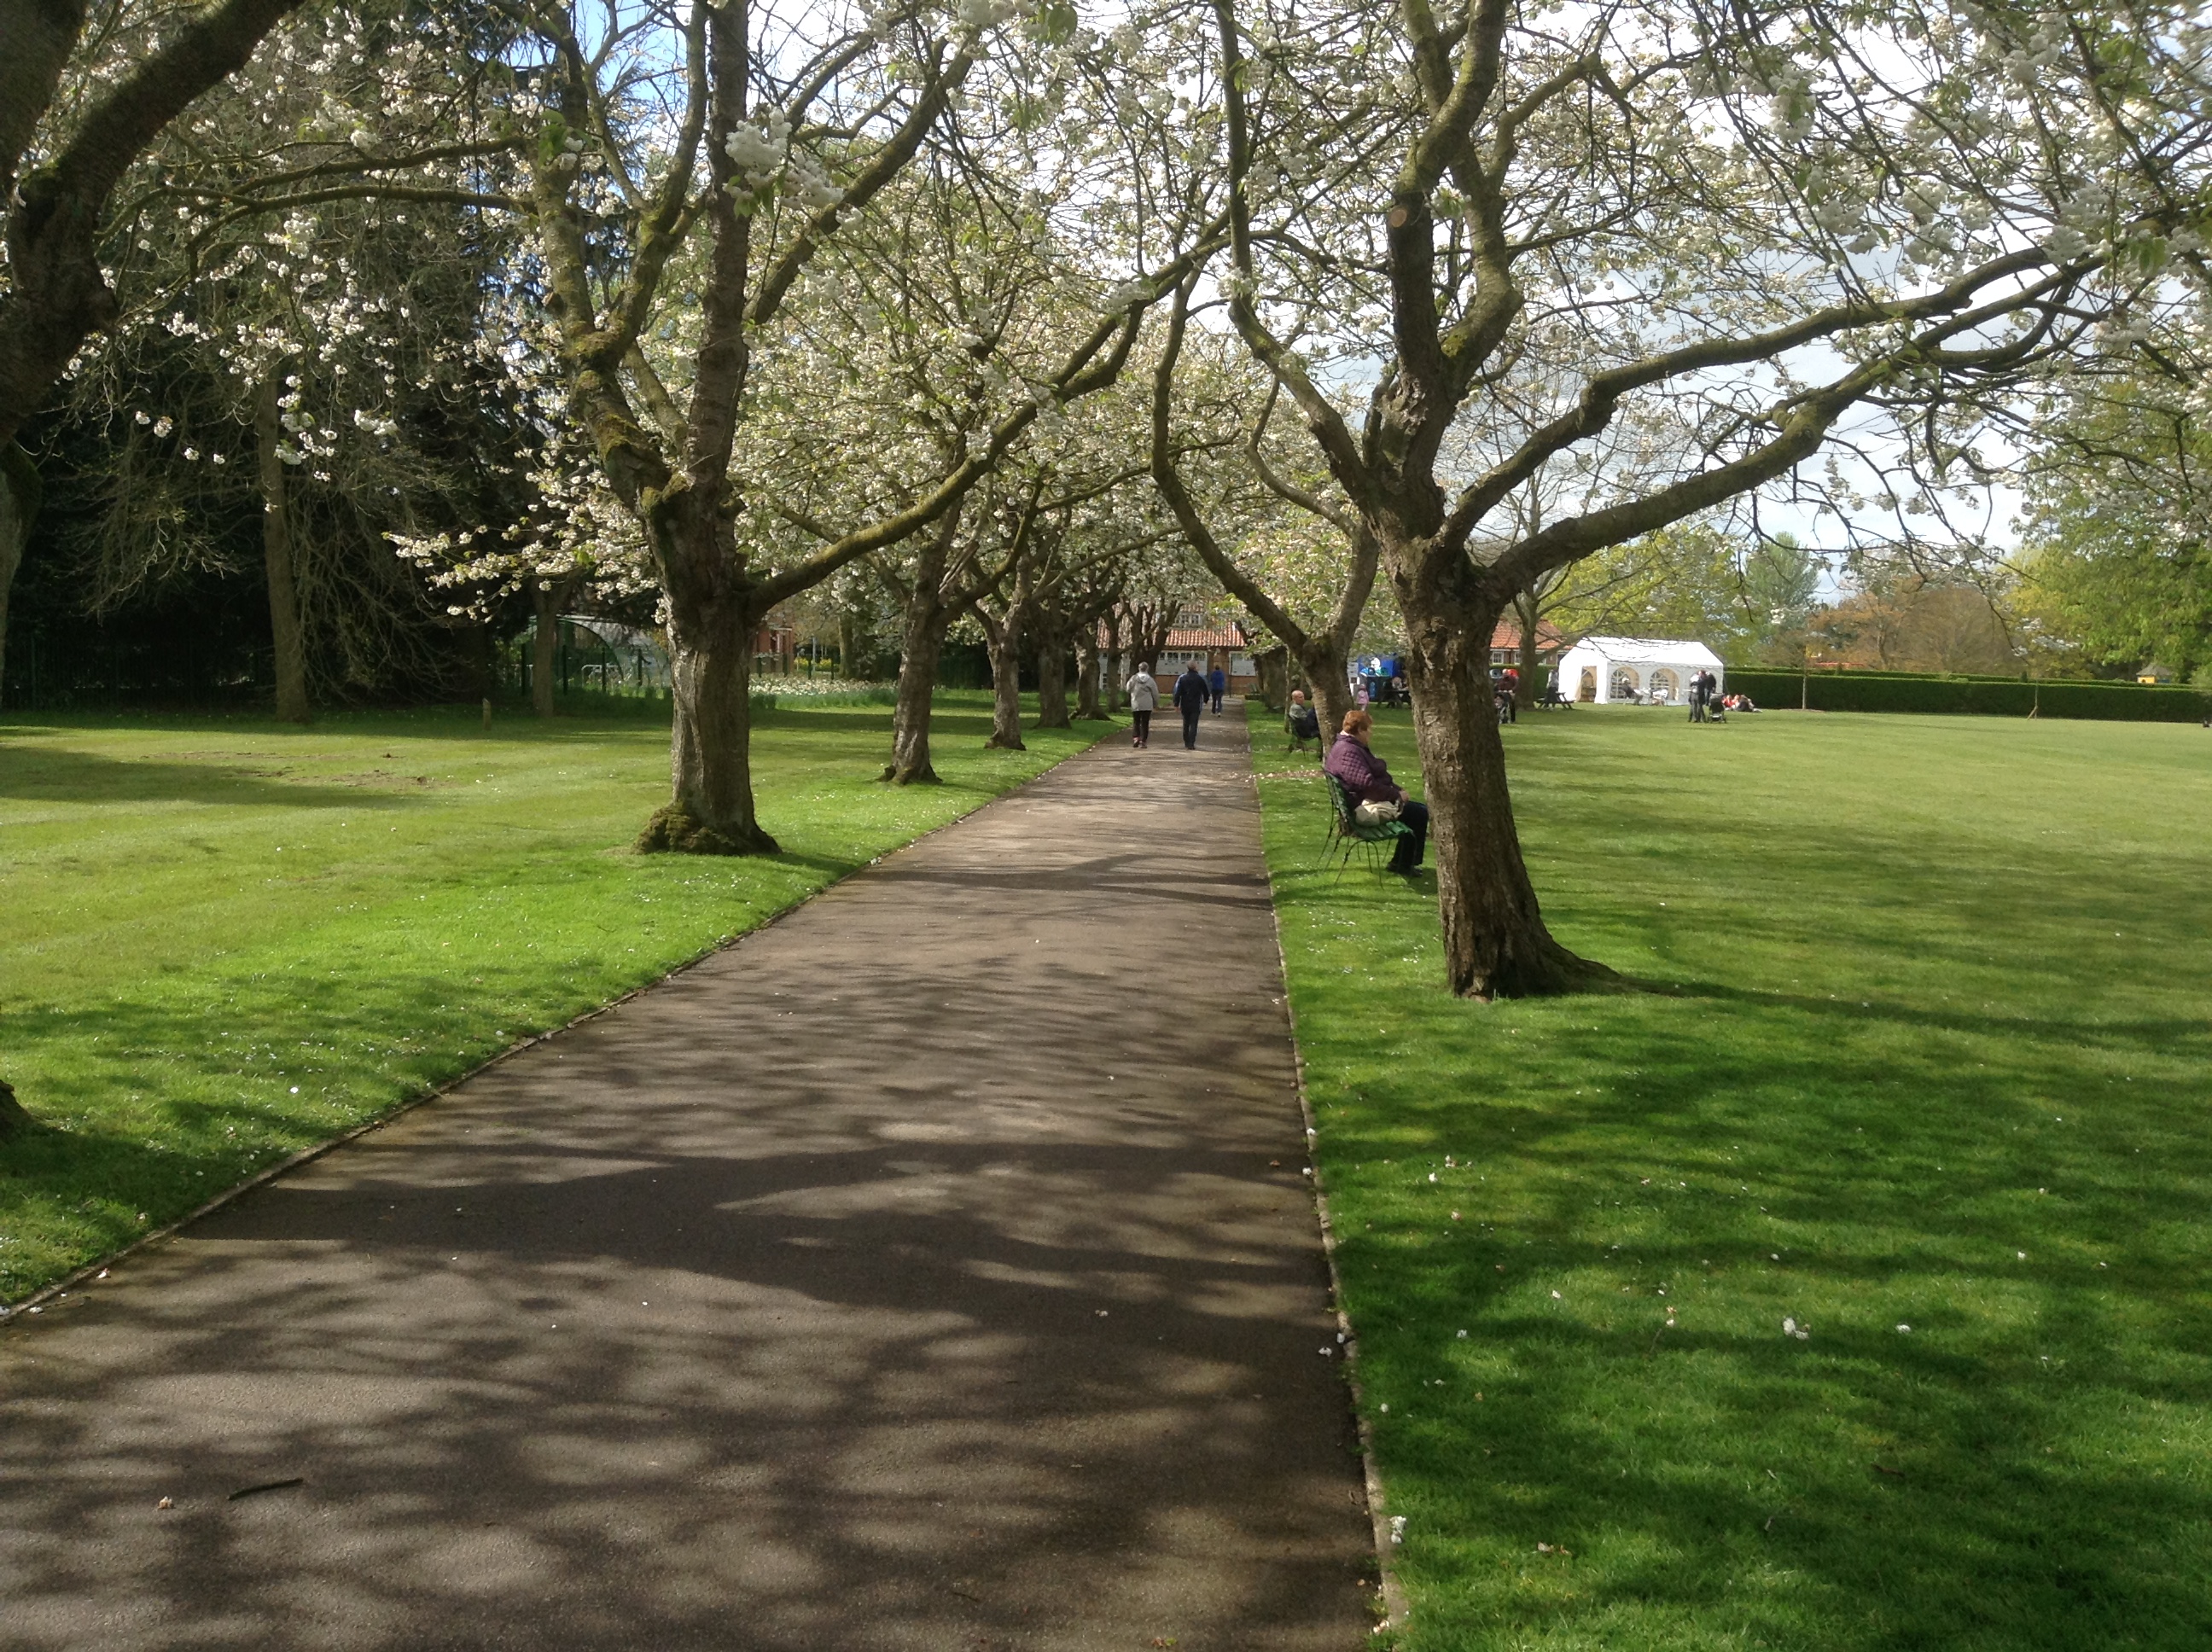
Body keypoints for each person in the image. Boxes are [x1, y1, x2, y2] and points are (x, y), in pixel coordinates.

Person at [1324, 709, 1429, 874]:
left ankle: (1402, 862)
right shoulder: (1348, 751)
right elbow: (1367, 785)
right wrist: (1396, 795)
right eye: (1369, 729)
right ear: (1359, 730)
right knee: (1419, 814)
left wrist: (1397, 790)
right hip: (1363, 808)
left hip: (1363, 801)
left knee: (1417, 811)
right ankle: (1403, 864)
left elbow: (1370, 780)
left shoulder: (1349, 746)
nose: (1371, 733)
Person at [1173, 661, 1209, 749]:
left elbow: (1178, 692)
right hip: (1196, 704)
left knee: (1186, 724)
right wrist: (1206, 700)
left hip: (1185, 704)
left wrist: (1176, 704)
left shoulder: (1183, 678)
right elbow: (1205, 691)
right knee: (1194, 724)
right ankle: (1191, 743)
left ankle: (1186, 741)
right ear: (1195, 668)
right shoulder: (1200, 679)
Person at [1124, 660, 1159, 747]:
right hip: (1147, 704)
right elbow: (1155, 693)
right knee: (1145, 723)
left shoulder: (1133, 678)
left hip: (1136, 703)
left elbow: (1128, 688)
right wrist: (1156, 703)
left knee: (1136, 721)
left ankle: (1136, 738)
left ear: (1139, 668)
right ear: (1147, 669)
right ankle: (1143, 741)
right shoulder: (1150, 680)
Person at [1285, 688, 1321, 752]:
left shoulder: (1296, 707)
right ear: (1294, 698)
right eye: (1300, 697)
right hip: (1304, 732)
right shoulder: (1296, 708)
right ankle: (1321, 753)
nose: (1303, 699)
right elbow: (1307, 719)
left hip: (1303, 729)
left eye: (1303, 697)